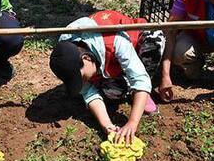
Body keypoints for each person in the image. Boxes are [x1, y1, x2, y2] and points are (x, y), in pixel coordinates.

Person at [49, 10, 164, 145]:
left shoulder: (114, 39)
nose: (83, 82)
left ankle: (142, 94)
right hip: (108, 61)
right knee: (113, 93)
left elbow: (140, 78)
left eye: (82, 77)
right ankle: (132, 88)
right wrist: (107, 126)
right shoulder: (66, 51)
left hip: (134, 42)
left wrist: (132, 123)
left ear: (86, 58)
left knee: (154, 39)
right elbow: (87, 92)